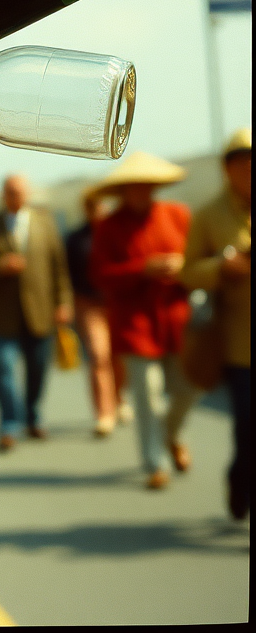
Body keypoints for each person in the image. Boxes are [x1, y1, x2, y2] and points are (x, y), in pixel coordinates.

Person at [90, 152, 199, 491]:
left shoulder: (178, 215)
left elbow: (200, 260)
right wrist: (143, 269)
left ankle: (171, 435)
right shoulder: (109, 227)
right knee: (147, 393)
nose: (141, 193)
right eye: (133, 187)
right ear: (122, 191)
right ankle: (156, 462)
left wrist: (183, 267)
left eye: (146, 187)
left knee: (187, 388)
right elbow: (100, 275)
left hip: (177, 318)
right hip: (135, 323)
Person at [0, 174, 74, 452]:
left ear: (26, 194)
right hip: (3, 315)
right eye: (10, 192)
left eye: (19, 192)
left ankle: (34, 416)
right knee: (3, 367)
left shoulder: (45, 223)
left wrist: (63, 303)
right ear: (3, 195)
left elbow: (58, 267)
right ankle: (9, 424)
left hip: (40, 311)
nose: (15, 197)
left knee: (38, 368)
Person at [181, 128, 251, 520]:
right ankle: (239, 479)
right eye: (243, 163)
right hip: (239, 343)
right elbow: (188, 273)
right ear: (228, 170)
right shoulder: (209, 215)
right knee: (247, 430)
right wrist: (223, 269)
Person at [64, 190, 128, 437]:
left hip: (116, 302)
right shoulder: (76, 238)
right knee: (98, 356)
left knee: (118, 357)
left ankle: (119, 398)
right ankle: (104, 413)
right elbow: (67, 273)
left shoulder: (116, 233)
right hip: (88, 304)